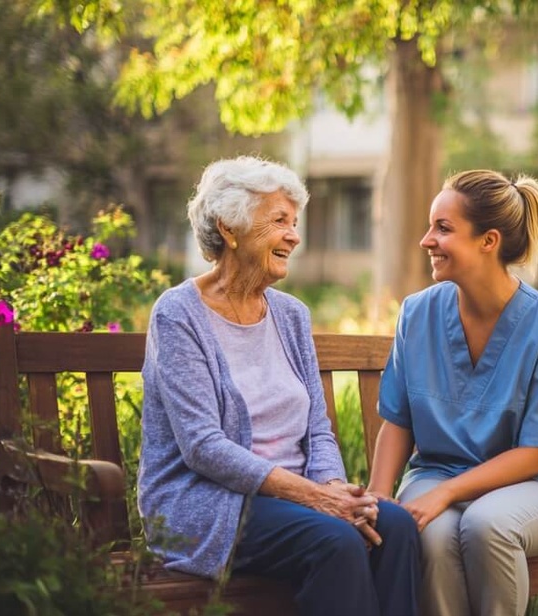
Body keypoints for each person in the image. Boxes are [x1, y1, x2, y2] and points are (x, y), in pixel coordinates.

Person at [138, 156, 420, 616]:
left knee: (395, 526)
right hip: (212, 503)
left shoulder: (291, 316)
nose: (294, 236)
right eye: (279, 221)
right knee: (336, 540)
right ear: (229, 228)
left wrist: (334, 488)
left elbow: (317, 428)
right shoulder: (178, 315)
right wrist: (315, 497)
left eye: (294, 223)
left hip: (296, 500)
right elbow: (202, 445)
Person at [367, 169, 538, 616]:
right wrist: (377, 496)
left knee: (488, 525)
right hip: (436, 473)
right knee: (431, 534)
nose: (426, 240)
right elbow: (399, 422)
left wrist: (448, 493)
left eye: (443, 228)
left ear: (488, 241)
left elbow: (534, 456)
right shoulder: (417, 314)